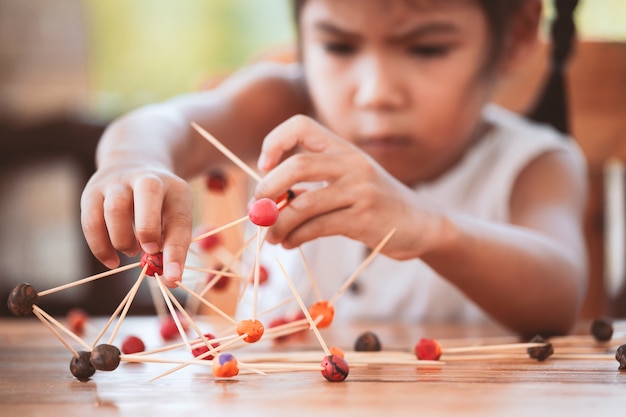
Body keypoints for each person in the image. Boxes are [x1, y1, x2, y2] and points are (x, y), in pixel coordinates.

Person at [80, 0, 588, 337]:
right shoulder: (279, 103)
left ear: (517, 36)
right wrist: (131, 162)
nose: (376, 93)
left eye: (428, 48)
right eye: (339, 46)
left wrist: (432, 229)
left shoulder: (535, 164)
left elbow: (558, 295)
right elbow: (162, 121)